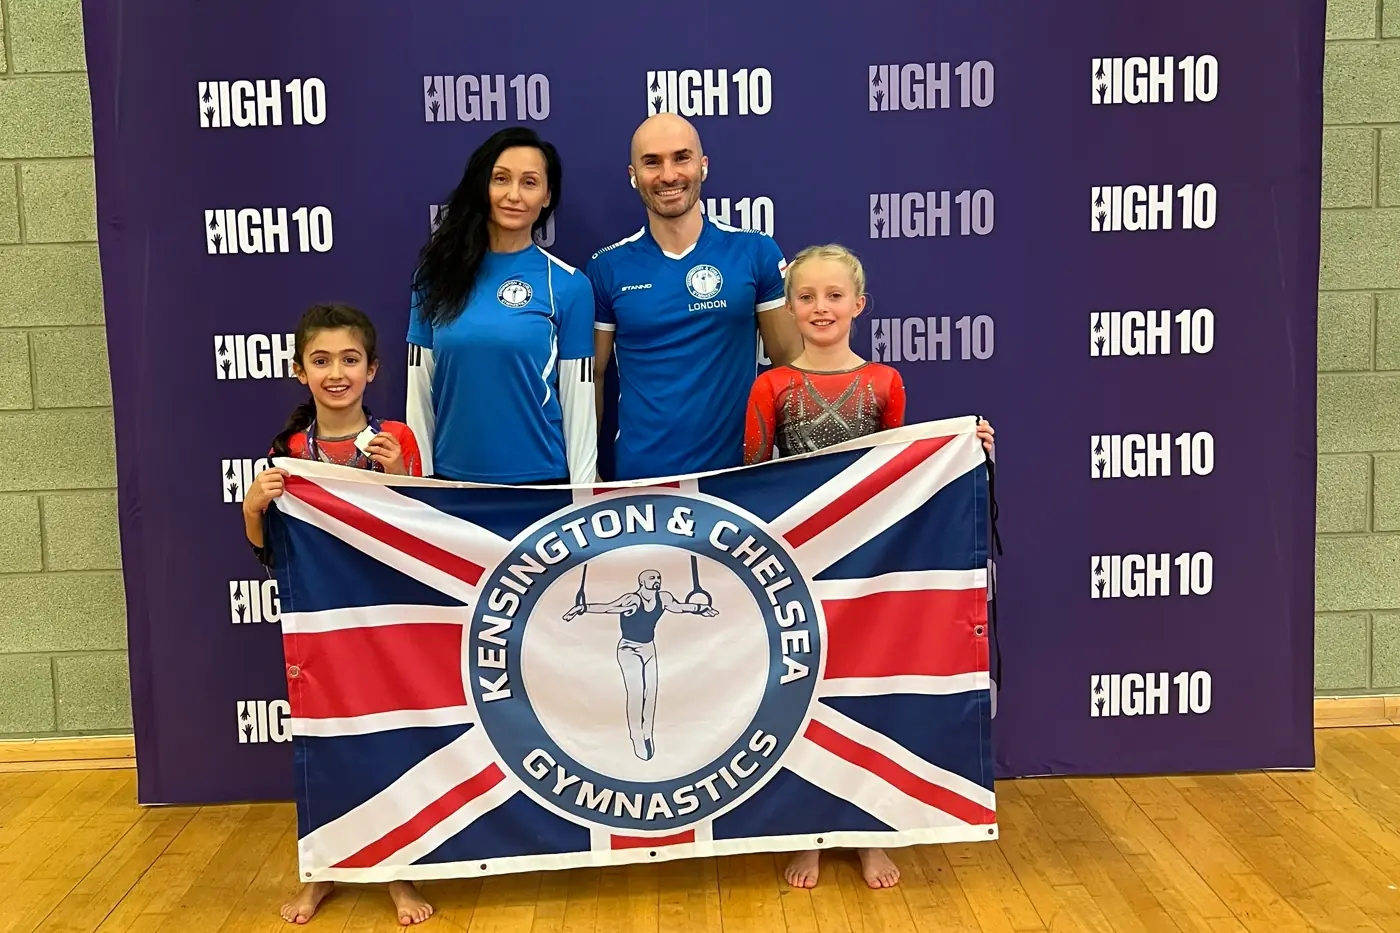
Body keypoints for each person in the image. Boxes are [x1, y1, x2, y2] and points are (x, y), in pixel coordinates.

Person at [743, 244, 994, 891]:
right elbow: (753, 482)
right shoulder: (770, 386)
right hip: (798, 570)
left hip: (870, 571)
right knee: (804, 697)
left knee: (867, 697)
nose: (820, 307)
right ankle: (809, 830)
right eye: (807, 297)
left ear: (859, 304)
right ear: (789, 308)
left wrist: (965, 448)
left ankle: (867, 832)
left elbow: (900, 472)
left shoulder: (885, 382)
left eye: (833, 295)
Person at [239, 303, 434, 925]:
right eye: (321, 361)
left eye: (349, 359)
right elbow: (267, 551)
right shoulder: (287, 451)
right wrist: (252, 507)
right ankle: (324, 870)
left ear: (372, 369)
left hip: (385, 619)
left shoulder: (395, 439)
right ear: (300, 371)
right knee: (322, 743)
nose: (336, 372)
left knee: (392, 740)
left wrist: (400, 477)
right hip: (321, 627)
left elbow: (426, 536)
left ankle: (397, 872)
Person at [586, 113, 803, 481]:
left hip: (739, 478)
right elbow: (593, 379)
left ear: (703, 166)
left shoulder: (755, 252)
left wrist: (802, 471)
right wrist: (585, 473)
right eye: (652, 162)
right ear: (633, 174)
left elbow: (791, 365)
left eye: (681, 158)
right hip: (642, 482)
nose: (668, 175)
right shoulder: (607, 267)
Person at [407, 126, 596, 484]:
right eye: (501, 179)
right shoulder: (433, 278)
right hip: (453, 484)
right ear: (483, 187)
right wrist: (423, 486)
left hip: (541, 485)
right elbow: (419, 393)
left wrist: (581, 494)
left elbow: (579, 403)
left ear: (546, 196)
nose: (513, 195)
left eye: (529, 182)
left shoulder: (569, 285)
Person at [562, 567, 718, 760]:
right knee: (636, 692)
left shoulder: (664, 597)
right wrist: (583, 608)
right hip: (629, 649)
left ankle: (647, 733)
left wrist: (700, 608)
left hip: (648, 648)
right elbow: (609, 607)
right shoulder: (633, 600)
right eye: (652, 578)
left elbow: (679, 607)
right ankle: (636, 735)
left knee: (650, 692)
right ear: (642, 581)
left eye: (658, 577)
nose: (657, 580)